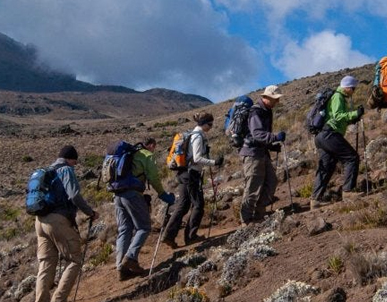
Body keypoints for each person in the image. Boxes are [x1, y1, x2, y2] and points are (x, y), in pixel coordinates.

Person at [34, 146, 97, 302]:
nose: (75, 165)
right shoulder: (65, 170)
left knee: (46, 265)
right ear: (70, 159)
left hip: (40, 221)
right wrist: (89, 212)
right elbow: (74, 195)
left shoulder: (47, 171)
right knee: (75, 259)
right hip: (58, 220)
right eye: (75, 161)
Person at [114, 141, 174, 280]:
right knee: (144, 227)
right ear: (151, 145)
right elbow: (153, 177)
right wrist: (162, 194)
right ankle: (130, 258)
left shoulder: (128, 154)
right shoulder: (146, 155)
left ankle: (121, 268)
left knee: (125, 229)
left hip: (117, 194)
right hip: (133, 194)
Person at [161, 112, 224, 248]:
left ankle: (168, 236)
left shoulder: (193, 135)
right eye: (210, 124)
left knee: (183, 205)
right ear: (204, 124)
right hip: (191, 174)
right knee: (198, 204)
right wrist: (214, 162)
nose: (211, 127)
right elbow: (196, 159)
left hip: (183, 173)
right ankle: (190, 237)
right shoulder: (197, 137)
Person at [310, 76, 364, 208]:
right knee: (352, 158)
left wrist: (352, 119)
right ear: (348, 87)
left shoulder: (336, 97)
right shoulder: (338, 96)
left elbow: (337, 117)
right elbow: (338, 116)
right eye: (353, 88)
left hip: (321, 136)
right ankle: (348, 192)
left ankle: (315, 199)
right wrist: (355, 114)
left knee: (327, 167)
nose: (354, 91)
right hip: (330, 134)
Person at [239, 85, 286, 225]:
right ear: (267, 97)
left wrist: (271, 145)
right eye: (275, 99)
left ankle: (259, 214)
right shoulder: (256, 112)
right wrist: (275, 137)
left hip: (261, 152)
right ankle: (246, 220)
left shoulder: (267, 111)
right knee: (253, 187)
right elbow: (257, 134)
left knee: (271, 182)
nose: (277, 102)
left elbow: (260, 136)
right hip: (252, 154)